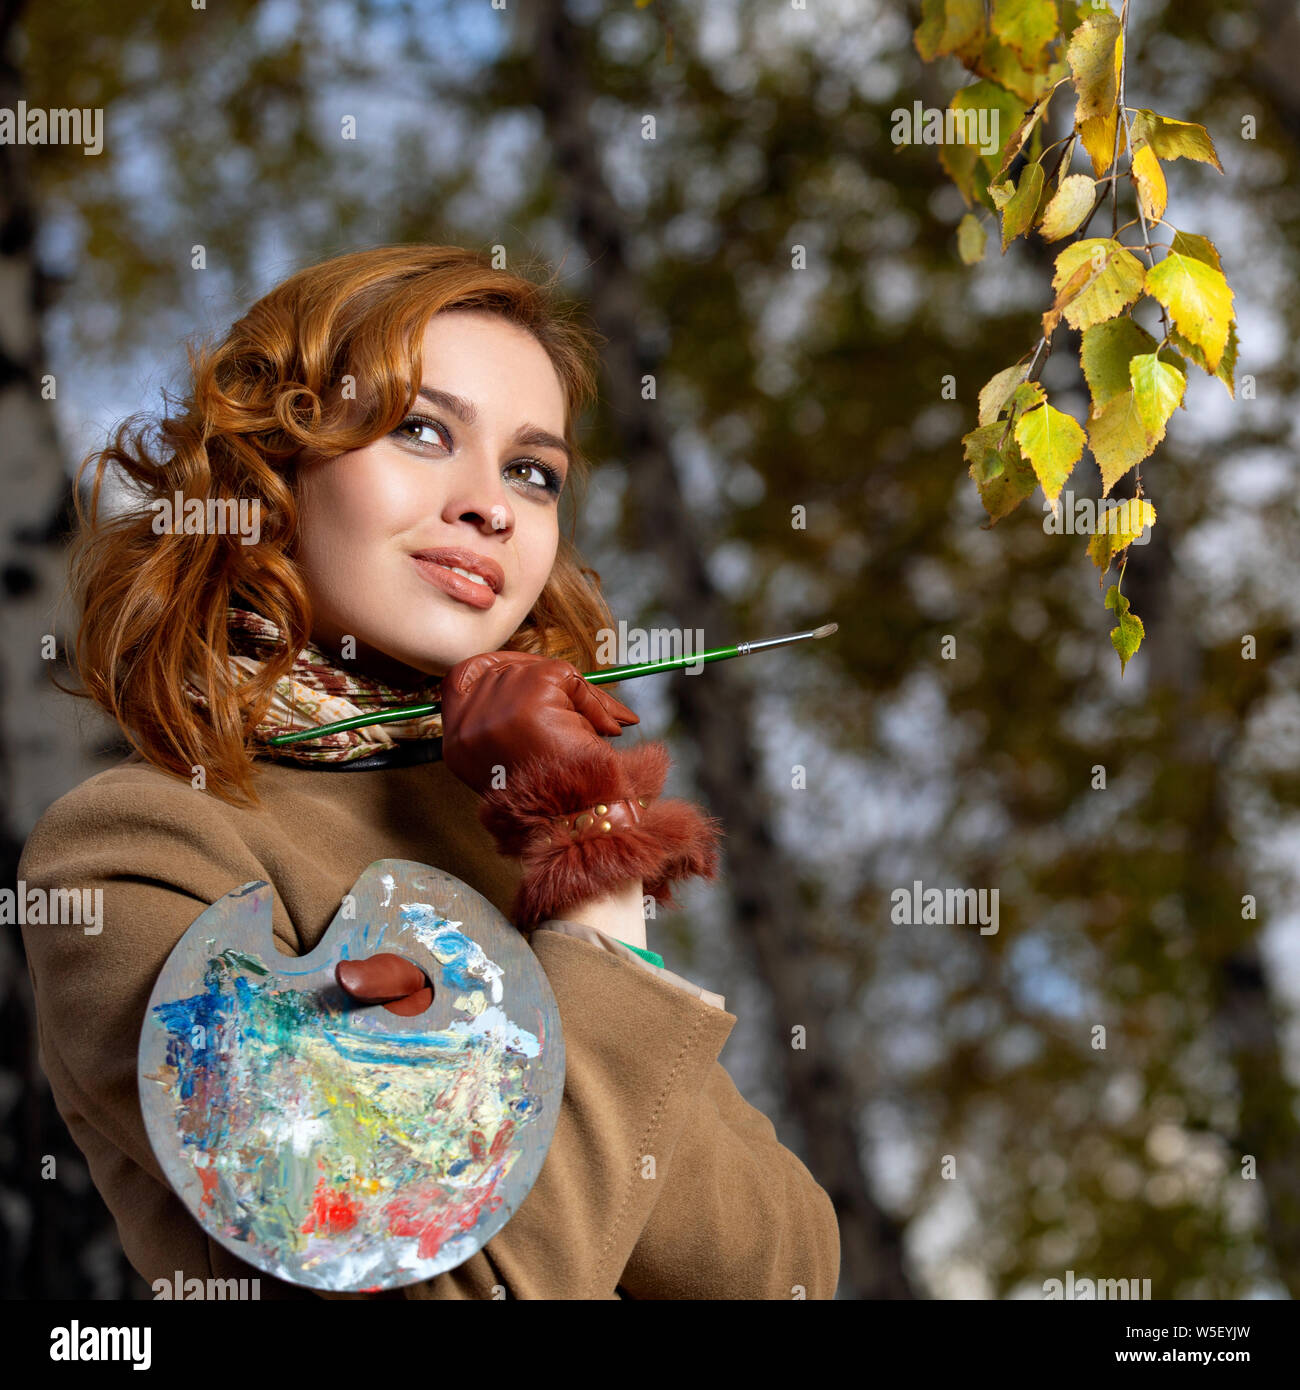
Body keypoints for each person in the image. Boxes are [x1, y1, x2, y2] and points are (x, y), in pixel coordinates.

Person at [18, 244, 841, 1300]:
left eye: (532, 471)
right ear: (270, 474)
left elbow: (787, 1271)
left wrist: (580, 861)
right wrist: (591, 878)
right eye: (421, 429)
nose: (489, 505)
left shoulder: (505, 829)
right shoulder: (134, 846)